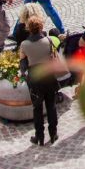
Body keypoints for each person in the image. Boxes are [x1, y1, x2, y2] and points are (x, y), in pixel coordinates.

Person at [19, 17, 61, 146]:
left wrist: (25, 74)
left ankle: (39, 136)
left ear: (28, 28)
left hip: (35, 78)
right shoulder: (48, 41)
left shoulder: (24, 44)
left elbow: (22, 63)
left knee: (37, 108)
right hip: (48, 75)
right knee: (51, 106)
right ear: (41, 27)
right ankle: (53, 133)